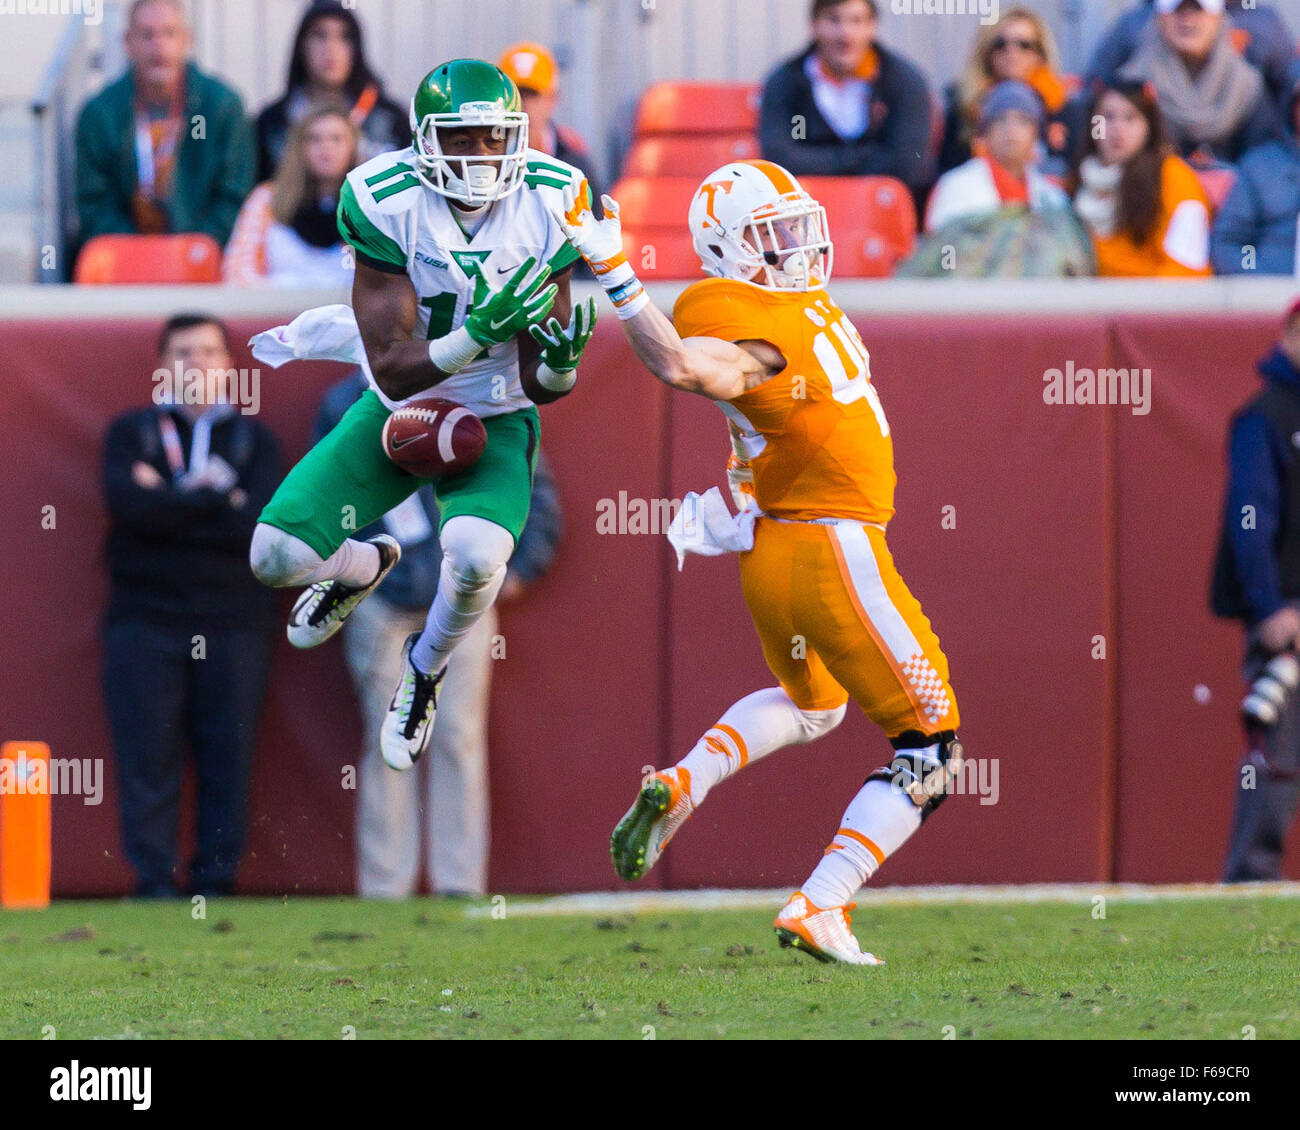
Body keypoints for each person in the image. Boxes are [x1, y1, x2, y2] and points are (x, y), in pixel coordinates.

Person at [548, 159, 966, 965]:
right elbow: (684, 366)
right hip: (832, 545)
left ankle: (683, 780)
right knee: (933, 748)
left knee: (817, 708)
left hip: (774, 548)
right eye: (772, 236)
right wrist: (616, 274)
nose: (799, 245)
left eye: (798, 226)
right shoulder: (753, 326)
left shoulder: (771, 303)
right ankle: (823, 902)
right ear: (725, 249)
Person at [247, 59, 597, 773]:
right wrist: (473, 333)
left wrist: (560, 362)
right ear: (424, 141)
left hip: (497, 410)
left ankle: (426, 670)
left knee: (476, 557)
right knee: (273, 558)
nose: (481, 156)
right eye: (462, 138)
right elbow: (389, 364)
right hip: (401, 402)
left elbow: (542, 381)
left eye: (495, 138)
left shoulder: (554, 196)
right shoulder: (382, 197)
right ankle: (359, 565)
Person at [316, 371, 562, 898]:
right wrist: (362, 573)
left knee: (458, 737)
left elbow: (532, 484)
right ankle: (385, 886)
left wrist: (514, 568)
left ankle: (459, 882)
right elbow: (327, 500)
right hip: (382, 598)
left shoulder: (485, 390)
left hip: (460, 599)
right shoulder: (343, 402)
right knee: (387, 740)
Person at [101, 314, 282, 898]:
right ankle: (151, 881)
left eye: (208, 351)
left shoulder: (258, 441)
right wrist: (215, 499)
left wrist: (170, 498)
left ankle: (216, 880)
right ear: (162, 366)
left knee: (227, 754)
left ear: (229, 366)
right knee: (147, 753)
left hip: (234, 620)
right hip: (143, 619)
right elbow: (129, 512)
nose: (196, 363)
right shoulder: (130, 433)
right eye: (182, 352)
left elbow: (255, 529)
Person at [1212, 300, 1300, 881]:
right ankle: (1249, 882)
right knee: (1278, 759)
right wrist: (1270, 608)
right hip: (1289, 624)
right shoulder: (1266, 416)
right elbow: (1251, 519)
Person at [75, 0, 254, 248]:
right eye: (147, 35)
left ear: (187, 39)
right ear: (128, 42)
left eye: (169, 33)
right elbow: (94, 204)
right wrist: (141, 252)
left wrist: (194, 248)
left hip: (206, 261)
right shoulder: (100, 113)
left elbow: (234, 198)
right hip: (125, 262)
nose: (159, 45)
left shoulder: (221, 106)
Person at [758, 0, 933, 200]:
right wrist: (862, 158)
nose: (845, 34)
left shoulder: (903, 80)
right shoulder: (786, 82)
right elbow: (780, 159)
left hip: (884, 208)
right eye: (833, 20)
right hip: (808, 208)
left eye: (856, 21)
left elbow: (908, 162)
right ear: (814, 25)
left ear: (872, 27)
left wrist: (824, 163)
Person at [253, 0, 407, 182]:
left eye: (345, 37)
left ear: (357, 48)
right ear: (301, 46)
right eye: (319, 35)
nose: (330, 48)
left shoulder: (391, 120)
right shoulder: (272, 123)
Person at [1070, 81, 1210, 277]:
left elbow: (1187, 268)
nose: (1117, 128)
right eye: (1107, 118)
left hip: (1152, 302)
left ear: (1148, 127)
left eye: (1130, 118)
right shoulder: (1076, 179)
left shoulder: (1174, 177)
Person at [1115, 0, 1279, 167]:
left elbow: (1264, 163)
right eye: (1177, 10)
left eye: (1199, 9)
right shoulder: (1129, 88)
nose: (1187, 18)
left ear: (1218, 18)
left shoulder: (1248, 88)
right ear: (1160, 18)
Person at [223, 105, 359, 288]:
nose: (326, 147)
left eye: (337, 139)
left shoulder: (367, 207)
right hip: (276, 312)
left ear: (353, 147)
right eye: (315, 139)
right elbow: (236, 274)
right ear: (299, 147)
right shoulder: (266, 200)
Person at [938, 8, 1070, 176]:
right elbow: (949, 171)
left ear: (1040, 53)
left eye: (1024, 45)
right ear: (986, 51)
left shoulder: (1061, 107)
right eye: (1000, 44)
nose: (1012, 52)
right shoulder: (963, 104)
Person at [925, 81, 1072, 232]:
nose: (1011, 129)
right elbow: (943, 248)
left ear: (1036, 134)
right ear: (985, 132)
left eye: (1023, 120)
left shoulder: (1053, 199)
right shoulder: (955, 187)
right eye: (1000, 120)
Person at [1086, 0, 1294, 106]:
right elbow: (1096, 86)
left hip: (1241, 160)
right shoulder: (1136, 24)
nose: (1188, 18)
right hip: (1154, 160)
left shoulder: (1262, 25)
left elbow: (1290, 86)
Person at [1211, 69, 1300, 276]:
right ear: (1291, 105)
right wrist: (1254, 273)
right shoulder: (1259, 166)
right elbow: (1235, 243)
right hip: (1271, 300)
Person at [497, 42, 600, 198]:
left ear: (553, 99)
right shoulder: (484, 156)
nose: (523, 103)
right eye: (515, 93)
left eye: (532, 94)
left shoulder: (574, 160)